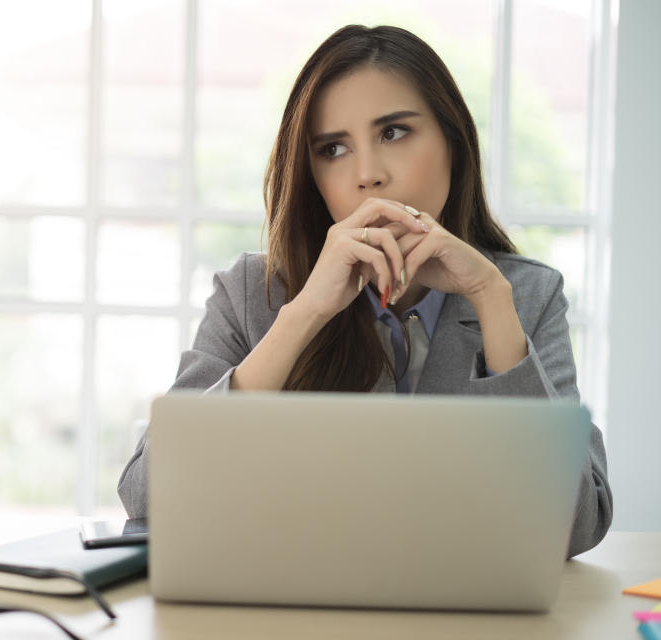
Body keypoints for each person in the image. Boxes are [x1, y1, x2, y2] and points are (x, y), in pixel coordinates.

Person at [117, 25, 611, 558]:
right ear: (310, 174)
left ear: (453, 142)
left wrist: (490, 299)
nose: (368, 175)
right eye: (333, 148)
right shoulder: (248, 293)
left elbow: (575, 528)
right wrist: (304, 313)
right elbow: (148, 496)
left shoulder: (526, 294)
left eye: (394, 133)